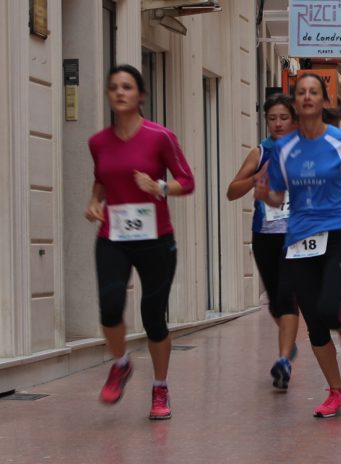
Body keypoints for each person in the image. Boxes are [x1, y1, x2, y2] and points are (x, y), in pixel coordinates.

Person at [85, 64, 195, 420]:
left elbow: (187, 181)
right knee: (110, 306)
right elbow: (103, 177)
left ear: (141, 95)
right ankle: (121, 363)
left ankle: (160, 388)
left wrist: (159, 187)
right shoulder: (97, 142)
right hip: (113, 235)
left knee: (153, 318)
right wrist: (93, 201)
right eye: (113, 87)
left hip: (156, 239)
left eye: (127, 87)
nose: (119, 92)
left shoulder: (159, 136)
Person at [255, 73, 341, 418]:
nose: (306, 97)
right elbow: (277, 193)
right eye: (300, 92)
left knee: (330, 308)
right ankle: (335, 391)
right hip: (298, 240)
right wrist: (264, 194)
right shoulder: (282, 149)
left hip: (335, 234)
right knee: (315, 325)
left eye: (313, 92)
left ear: (323, 100)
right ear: (296, 100)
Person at [226, 94, 299, 390]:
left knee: (287, 296)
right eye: (272, 118)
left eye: (283, 118)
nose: (278, 123)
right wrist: (257, 179)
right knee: (274, 300)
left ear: (293, 120)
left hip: (296, 235)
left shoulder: (305, 150)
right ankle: (288, 340)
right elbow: (231, 191)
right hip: (265, 235)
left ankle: (283, 359)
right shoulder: (260, 152)